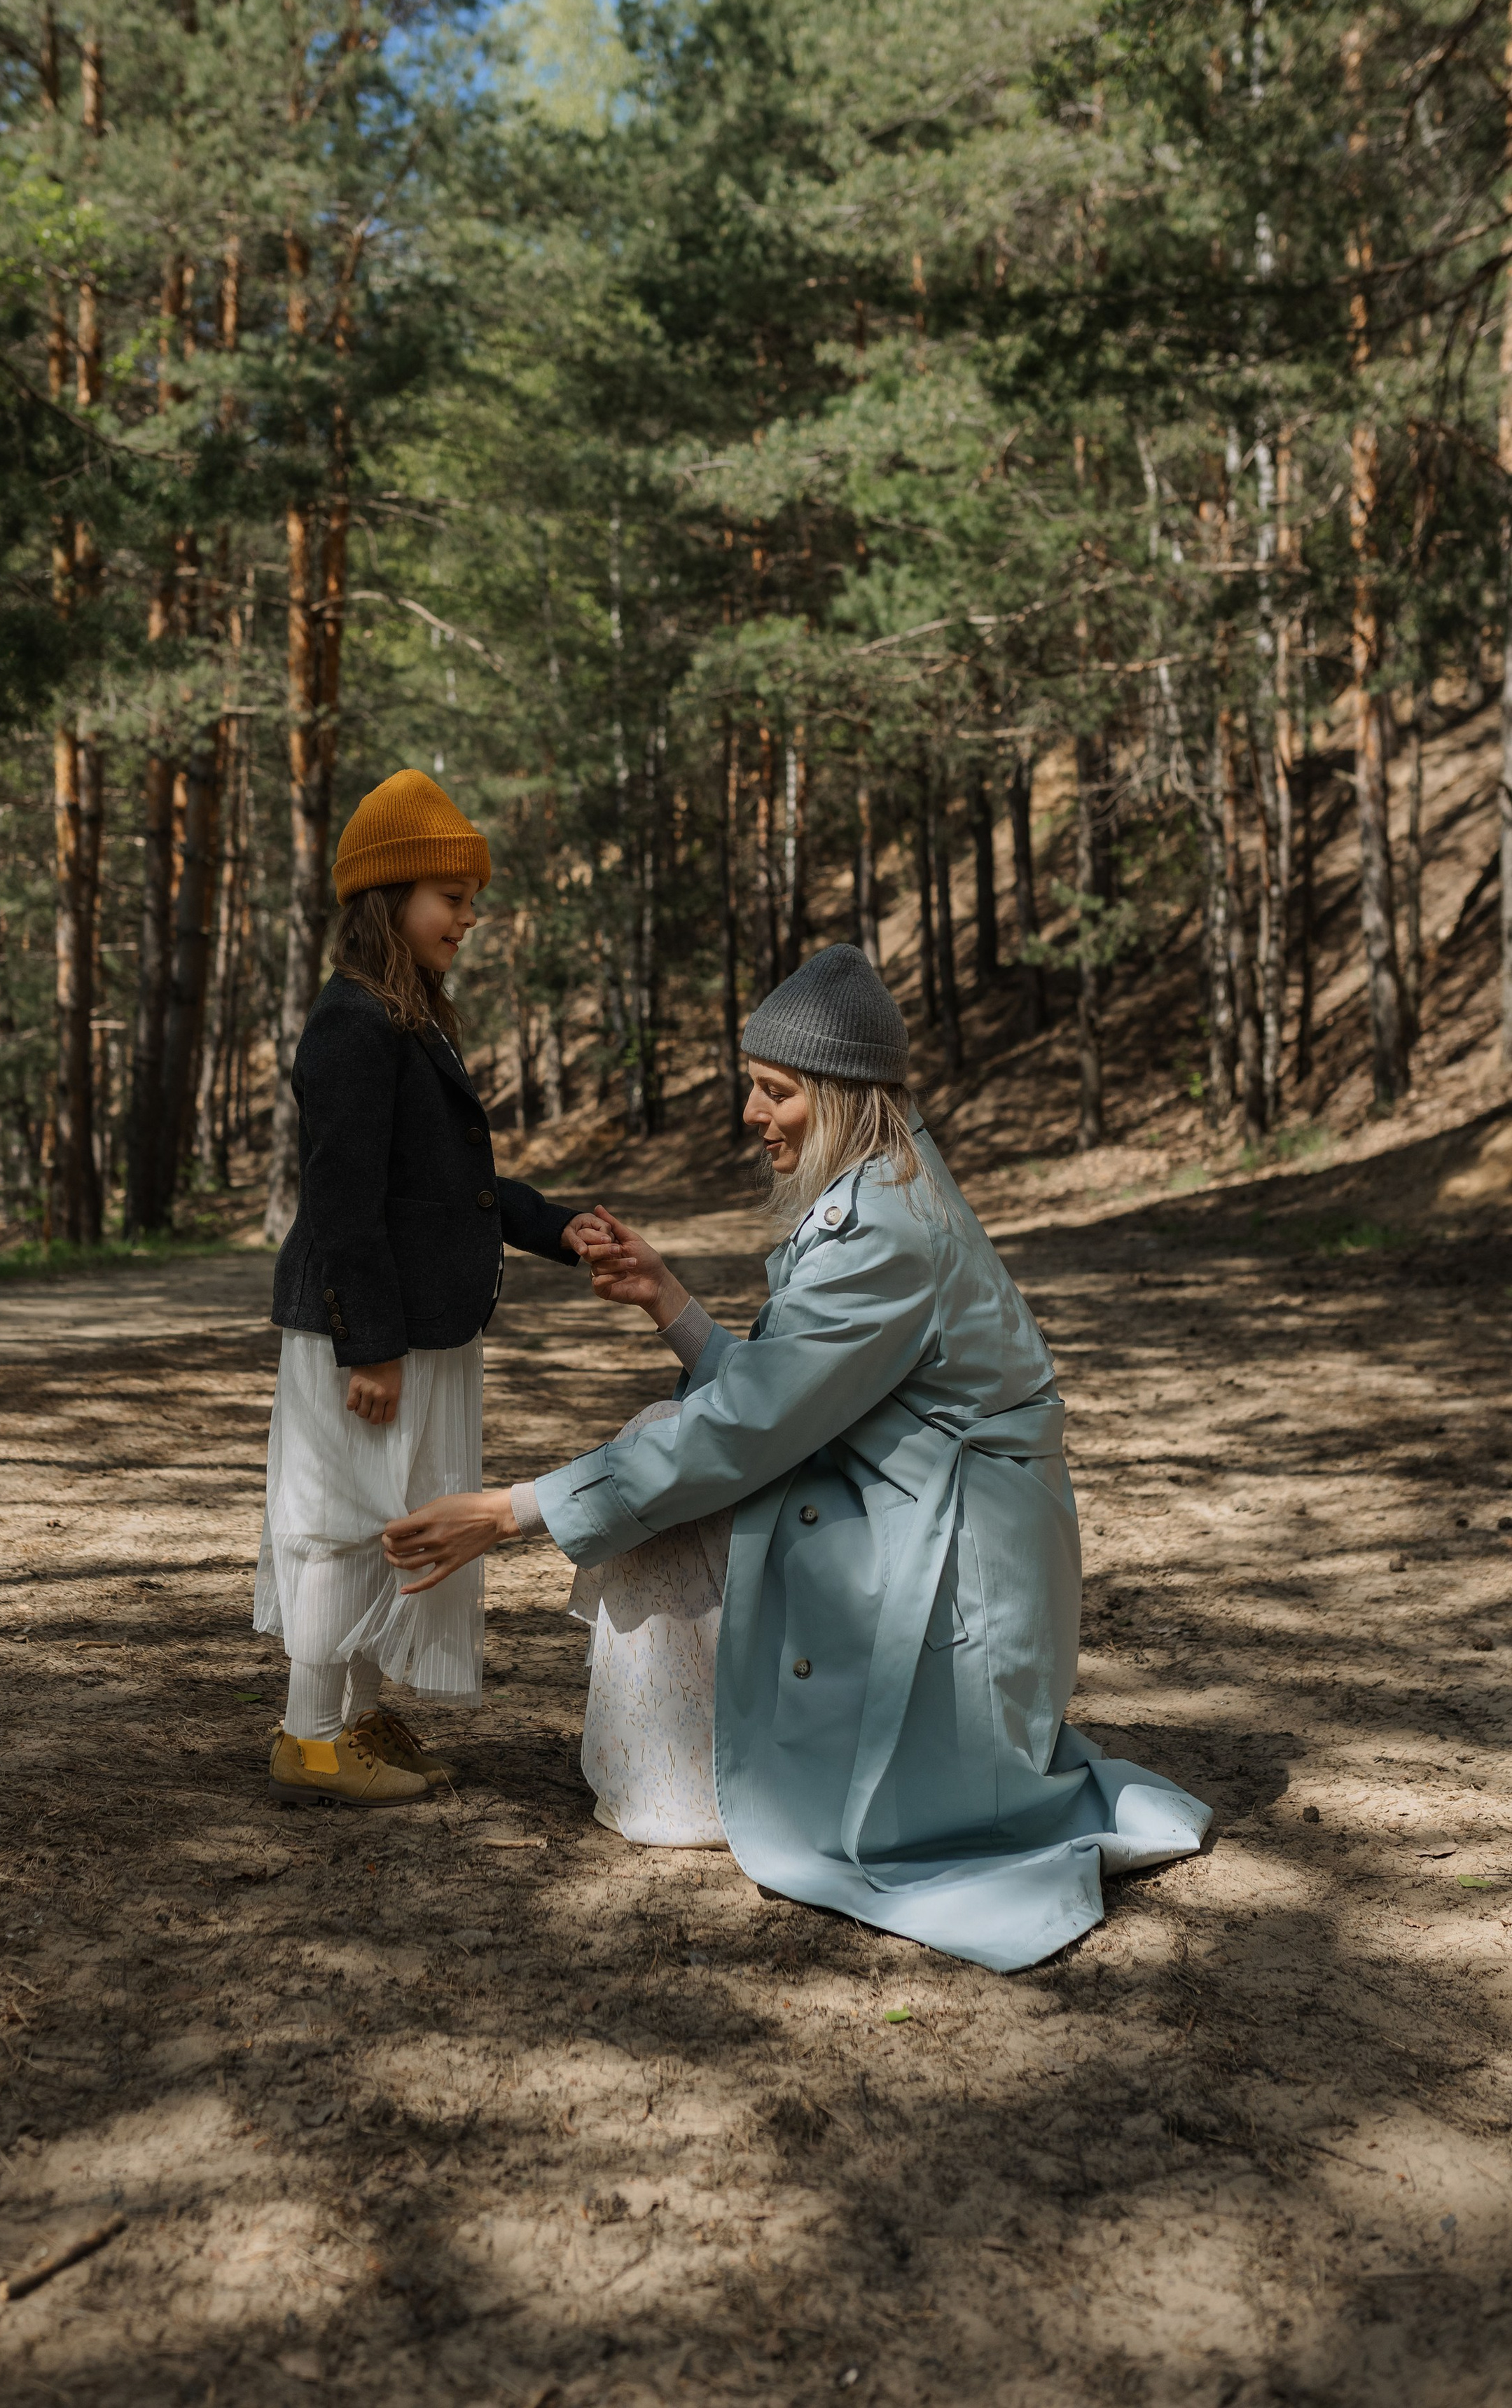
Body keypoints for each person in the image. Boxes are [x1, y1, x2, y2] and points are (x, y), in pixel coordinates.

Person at [381, 941, 1210, 1971]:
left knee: (656, 1455)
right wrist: (670, 1302)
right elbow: (791, 1398)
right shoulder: (885, 1192)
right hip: (923, 1526)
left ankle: (680, 1795)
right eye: (752, 1086)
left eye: (774, 1090)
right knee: (655, 1449)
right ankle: (686, 1780)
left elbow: (741, 1430)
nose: (750, 1113)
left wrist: (510, 1511)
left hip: (954, 1572)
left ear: (840, 1092)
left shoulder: (886, 1232)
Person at [256, 768, 605, 1807]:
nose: (467, 919)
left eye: (471, 901)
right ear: (389, 895)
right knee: (346, 1522)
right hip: (367, 1333)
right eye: (451, 898)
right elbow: (342, 1201)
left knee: (394, 1522)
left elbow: (453, 1185)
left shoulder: (408, 1016)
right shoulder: (353, 1023)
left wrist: (555, 1227)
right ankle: (308, 1737)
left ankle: (358, 1722)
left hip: (415, 1327)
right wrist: (367, 1342)